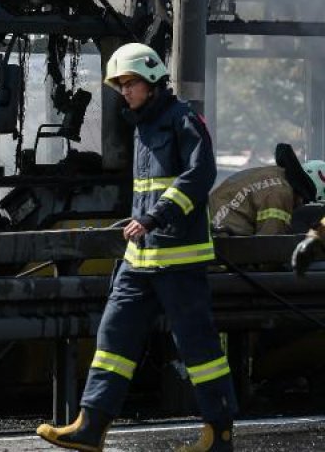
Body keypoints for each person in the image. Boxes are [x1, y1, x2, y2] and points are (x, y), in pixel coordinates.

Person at [36, 43, 237, 452]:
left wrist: (154, 216)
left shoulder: (182, 119)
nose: (124, 92)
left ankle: (219, 433)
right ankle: (91, 427)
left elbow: (200, 175)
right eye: (120, 86)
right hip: (139, 259)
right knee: (114, 336)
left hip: (179, 260)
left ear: (152, 79)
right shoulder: (142, 126)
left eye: (130, 83)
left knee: (198, 347)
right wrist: (142, 221)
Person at [209, 145, 317, 236]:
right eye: (303, 202)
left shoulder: (274, 174)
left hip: (210, 221)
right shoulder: (281, 193)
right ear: (301, 195)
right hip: (223, 233)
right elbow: (270, 239)